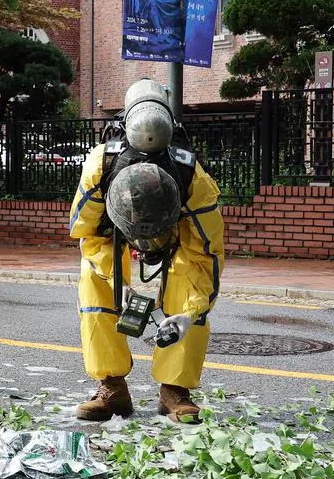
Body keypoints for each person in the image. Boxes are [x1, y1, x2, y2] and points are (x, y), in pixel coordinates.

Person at [68, 79, 224, 424]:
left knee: (187, 280)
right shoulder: (100, 168)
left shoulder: (193, 180)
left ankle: (175, 390)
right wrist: (119, 282)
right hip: (112, 236)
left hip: (177, 237)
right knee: (92, 281)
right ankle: (111, 386)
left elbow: (206, 256)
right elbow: (86, 233)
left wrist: (190, 313)